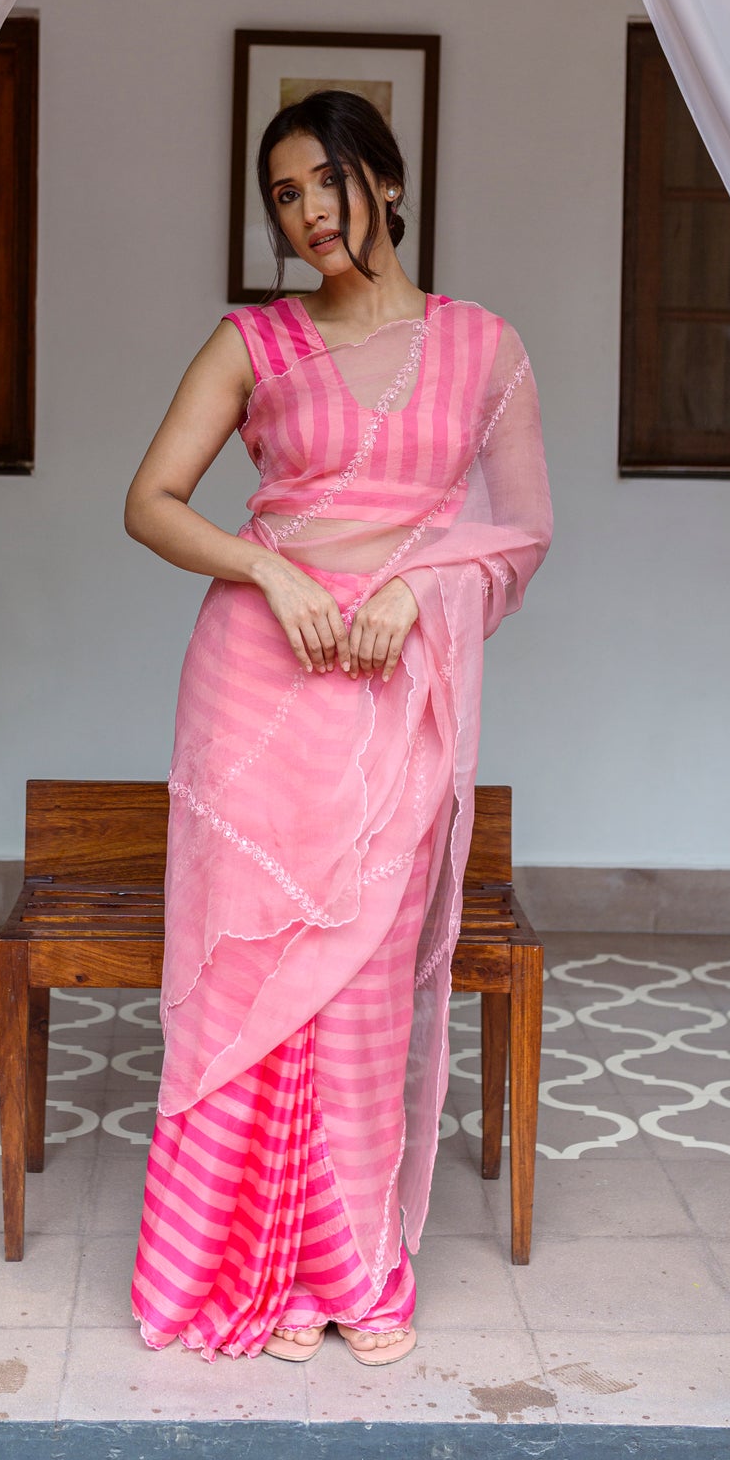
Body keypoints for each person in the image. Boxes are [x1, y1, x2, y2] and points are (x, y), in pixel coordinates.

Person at [122, 89, 552, 1367]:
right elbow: (149, 502)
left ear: (391, 184)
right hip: (259, 688)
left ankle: (349, 1268)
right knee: (250, 976)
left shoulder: (484, 348)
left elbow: (522, 532)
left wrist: (419, 588)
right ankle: (246, 1267)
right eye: (284, 197)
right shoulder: (251, 345)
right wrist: (273, 574)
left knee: (361, 981)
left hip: (391, 698)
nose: (308, 214)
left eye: (327, 183)